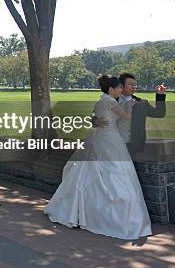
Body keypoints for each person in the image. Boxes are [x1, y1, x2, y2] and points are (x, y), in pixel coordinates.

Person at [44, 75, 152, 240]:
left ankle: (79, 207)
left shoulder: (99, 101)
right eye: (119, 88)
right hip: (111, 139)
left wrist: (97, 123)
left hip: (100, 137)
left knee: (93, 169)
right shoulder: (111, 102)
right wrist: (130, 105)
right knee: (114, 170)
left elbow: (92, 119)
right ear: (112, 89)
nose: (121, 90)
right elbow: (126, 117)